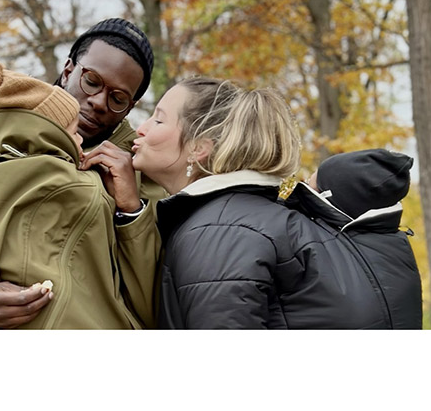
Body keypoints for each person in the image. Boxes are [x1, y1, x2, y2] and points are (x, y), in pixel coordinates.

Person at [93, 76, 422, 329]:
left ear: (199, 149)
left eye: (159, 119)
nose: (141, 129)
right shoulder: (244, 217)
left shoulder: (219, 230)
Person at [0, 18, 164, 329]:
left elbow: (159, 301)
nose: (97, 102)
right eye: (91, 81)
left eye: (118, 98)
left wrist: (131, 212)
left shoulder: (144, 177)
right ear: (68, 71)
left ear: (131, 107)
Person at [284, 148, 422, 329]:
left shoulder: (318, 247)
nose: (305, 184)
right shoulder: (396, 243)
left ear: (330, 199)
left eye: (312, 185)